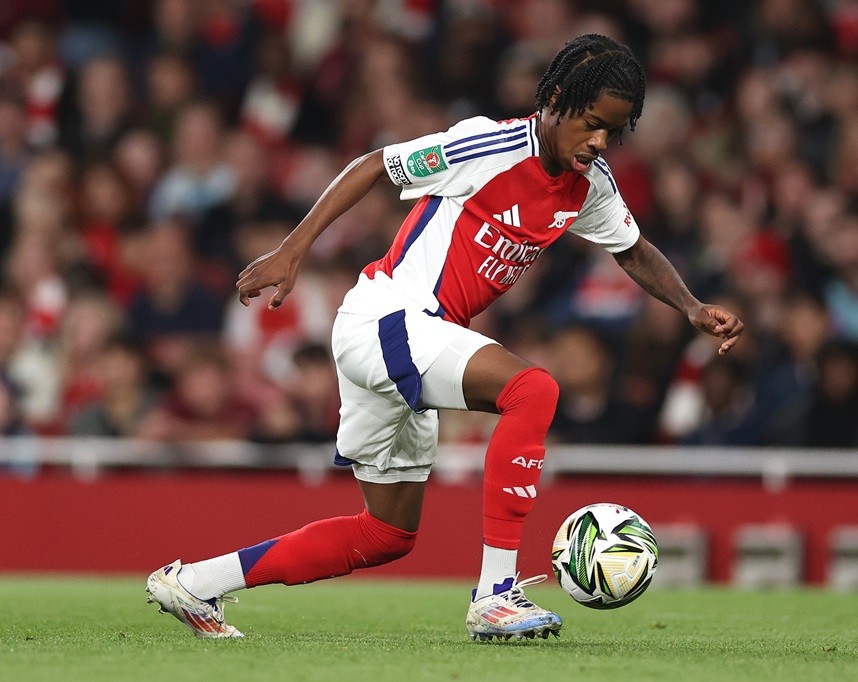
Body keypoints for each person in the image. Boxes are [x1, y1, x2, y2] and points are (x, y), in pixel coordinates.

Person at [145, 34, 743, 641]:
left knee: (385, 536)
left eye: (613, 132)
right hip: (389, 317)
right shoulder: (491, 144)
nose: (599, 142)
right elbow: (375, 164)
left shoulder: (589, 183)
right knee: (532, 391)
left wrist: (691, 306)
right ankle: (497, 595)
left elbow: (633, 249)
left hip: (408, 340)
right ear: (558, 99)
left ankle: (194, 583)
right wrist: (292, 251)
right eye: (591, 124)